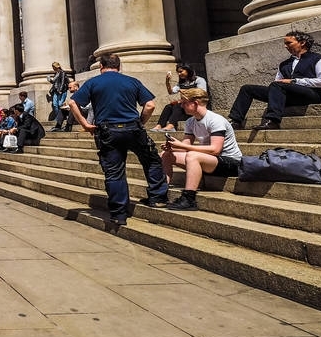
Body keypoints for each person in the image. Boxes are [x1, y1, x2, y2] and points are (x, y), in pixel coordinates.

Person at [67, 53, 169, 226]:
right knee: (151, 159)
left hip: (107, 131)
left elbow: (72, 103)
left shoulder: (93, 82)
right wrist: (140, 122)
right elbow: (150, 105)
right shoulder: (132, 81)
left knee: (114, 172)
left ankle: (119, 214)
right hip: (133, 128)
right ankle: (158, 197)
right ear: (119, 66)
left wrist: (84, 124)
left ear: (101, 66)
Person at [227, 30, 321, 130]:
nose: (285, 46)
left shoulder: (319, 59)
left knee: (278, 85)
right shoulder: (284, 64)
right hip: (288, 97)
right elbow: (277, 83)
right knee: (247, 89)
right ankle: (235, 122)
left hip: (311, 95)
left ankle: (273, 121)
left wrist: (294, 81)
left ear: (302, 42)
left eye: (289, 43)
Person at [160, 88, 243, 211]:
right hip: (210, 161)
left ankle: (189, 199)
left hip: (231, 162)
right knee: (165, 154)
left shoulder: (215, 120)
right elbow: (186, 145)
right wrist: (172, 147)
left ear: (195, 103)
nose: (181, 105)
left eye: (184, 102)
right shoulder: (190, 122)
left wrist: (182, 146)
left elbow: (215, 149)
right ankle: (160, 193)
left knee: (193, 156)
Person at [152, 64, 208, 131]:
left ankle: (171, 126)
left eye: (181, 71)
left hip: (195, 107)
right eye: (178, 72)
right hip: (185, 107)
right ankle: (159, 125)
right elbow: (171, 92)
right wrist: (167, 82)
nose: (179, 74)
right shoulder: (182, 83)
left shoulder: (199, 80)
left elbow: (202, 94)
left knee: (178, 105)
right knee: (168, 106)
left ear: (188, 70)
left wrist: (183, 98)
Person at [48, 61, 71, 132]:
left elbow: (63, 81)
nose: (53, 68)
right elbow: (54, 82)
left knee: (60, 104)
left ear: (56, 66)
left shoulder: (62, 72)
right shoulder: (56, 74)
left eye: (53, 67)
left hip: (62, 91)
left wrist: (60, 90)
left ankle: (61, 118)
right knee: (55, 104)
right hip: (55, 91)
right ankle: (58, 118)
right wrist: (49, 80)